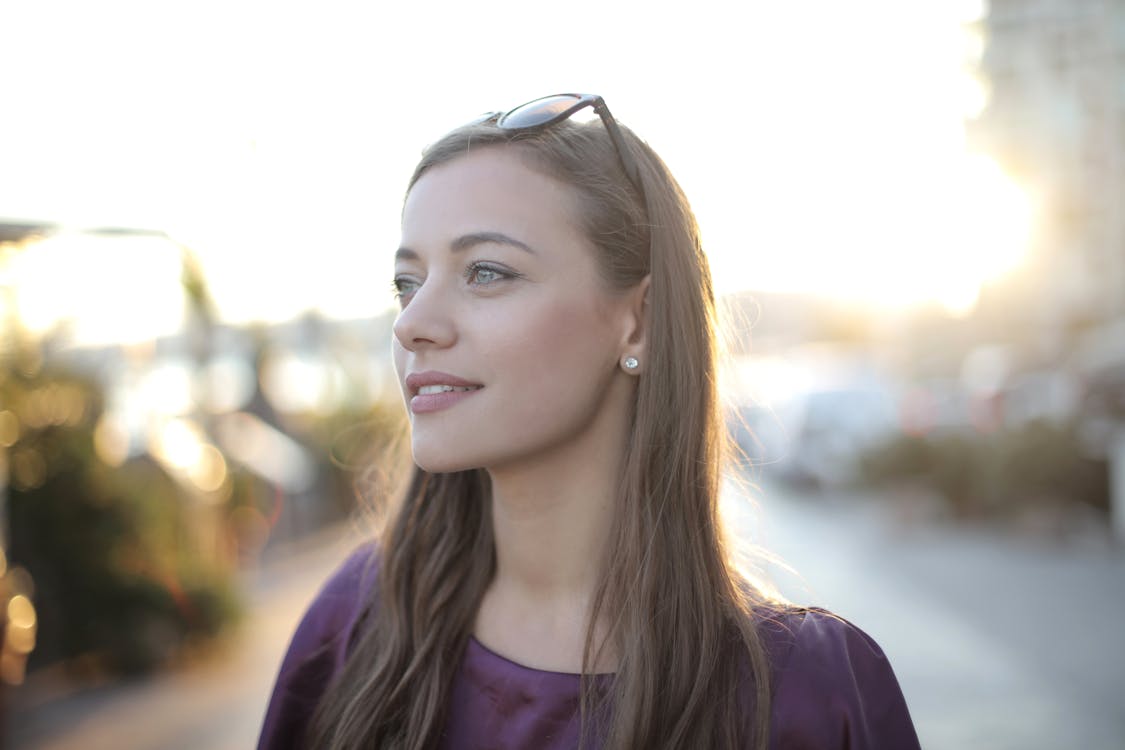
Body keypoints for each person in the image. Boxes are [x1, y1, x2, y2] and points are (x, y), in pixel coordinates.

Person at [257, 93, 921, 750]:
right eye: (407, 283)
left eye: (485, 272)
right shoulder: (355, 623)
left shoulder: (808, 692)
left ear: (639, 320)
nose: (411, 324)